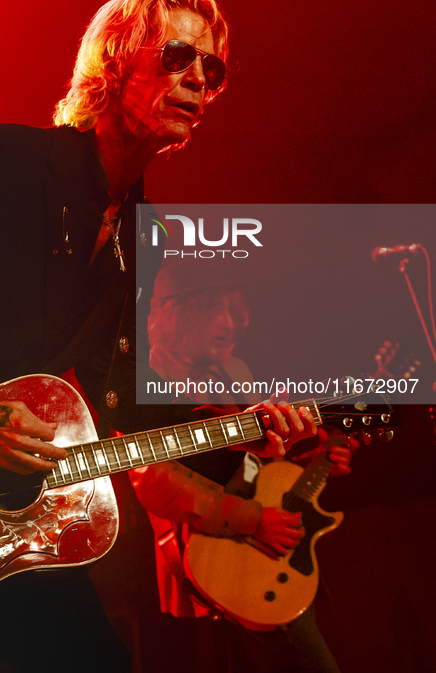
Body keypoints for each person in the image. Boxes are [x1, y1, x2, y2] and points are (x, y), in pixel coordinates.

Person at [0, 0, 316, 671]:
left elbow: (116, 393)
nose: (195, 80)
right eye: (177, 56)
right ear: (115, 61)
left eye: (209, 70)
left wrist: (251, 422)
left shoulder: (137, 236)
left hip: (2, 522)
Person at [131, 260, 357, 671]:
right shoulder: (148, 378)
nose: (232, 323)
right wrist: (252, 519)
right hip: (211, 560)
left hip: (262, 554)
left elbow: (257, 469)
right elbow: (155, 483)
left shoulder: (233, 370)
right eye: (216, 309)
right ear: (176, 313)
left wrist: (313, 462)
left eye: (235, 310)